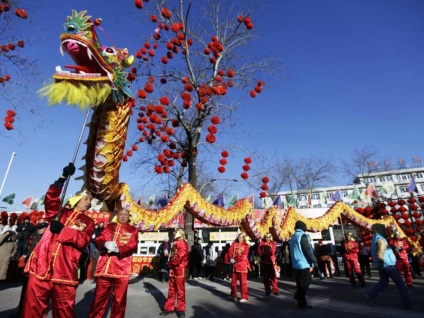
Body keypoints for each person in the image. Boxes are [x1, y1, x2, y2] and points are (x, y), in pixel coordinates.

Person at [21, 163, 95, 318]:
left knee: (64, 313)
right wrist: (62, 179)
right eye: (86, 199)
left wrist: (62, 230)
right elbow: (51, 198)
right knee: (31, 310)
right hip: (41, 267)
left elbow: (82, 240)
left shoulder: (88, 222)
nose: (89, 202)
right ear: (76, 200)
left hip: (65, 272)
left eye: (90, 200)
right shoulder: (60, 213)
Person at [88, 208, 138, 318]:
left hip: (121, 271)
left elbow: (132, 245)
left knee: (119, 302)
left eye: (125, 214)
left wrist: (119, 250)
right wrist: (105, 243)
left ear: (128, 216)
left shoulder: (133, 230)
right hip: (104, 269)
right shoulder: (109, 227)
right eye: (121, 214)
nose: (123, 216)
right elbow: (98, 239)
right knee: (98, 300)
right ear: (117, 215)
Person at [364, 224, 412, 309]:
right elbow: (380, 253)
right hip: (387, 264)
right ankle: (408, 303)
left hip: (383, 264)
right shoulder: (381, 240)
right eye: (383, 229)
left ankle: (369, 295)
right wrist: (382, 263)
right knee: (400, 284)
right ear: (380, 230)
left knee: (383, 283)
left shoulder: (377, 238)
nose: (385, 230)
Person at [160, 228, 189, 318]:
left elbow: (179, 258)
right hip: (173, 268)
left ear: (179, 233)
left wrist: (169, 264)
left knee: (180, 290)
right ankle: (169, 308)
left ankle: (181, 309)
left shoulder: (182, 243)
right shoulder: (176, 242)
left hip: (179, 269)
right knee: (171, 290)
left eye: (175, 232)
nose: (173, 233)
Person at [289, 220, 317, 309]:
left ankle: (301, 303)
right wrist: (314, 261)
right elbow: (308, 249)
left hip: (295, 264)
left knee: (300, 284)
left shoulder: (293, 236)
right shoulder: (302, 236)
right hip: (303, 264)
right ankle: (298, 296)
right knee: (306, 283)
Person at [228, 232, 250, 302]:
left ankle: (244, 297)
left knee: (243, 282)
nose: (239, 238)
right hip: (235, 266)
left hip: (242, 266)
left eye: (240, 237)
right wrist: (230, 258)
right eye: (238, 237)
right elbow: (230, 251)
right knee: (233, 282)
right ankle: (234, 295)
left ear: (243, 238)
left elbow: (244, 256)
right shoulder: (234, 243)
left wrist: (235, 259)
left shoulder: (246, 245)